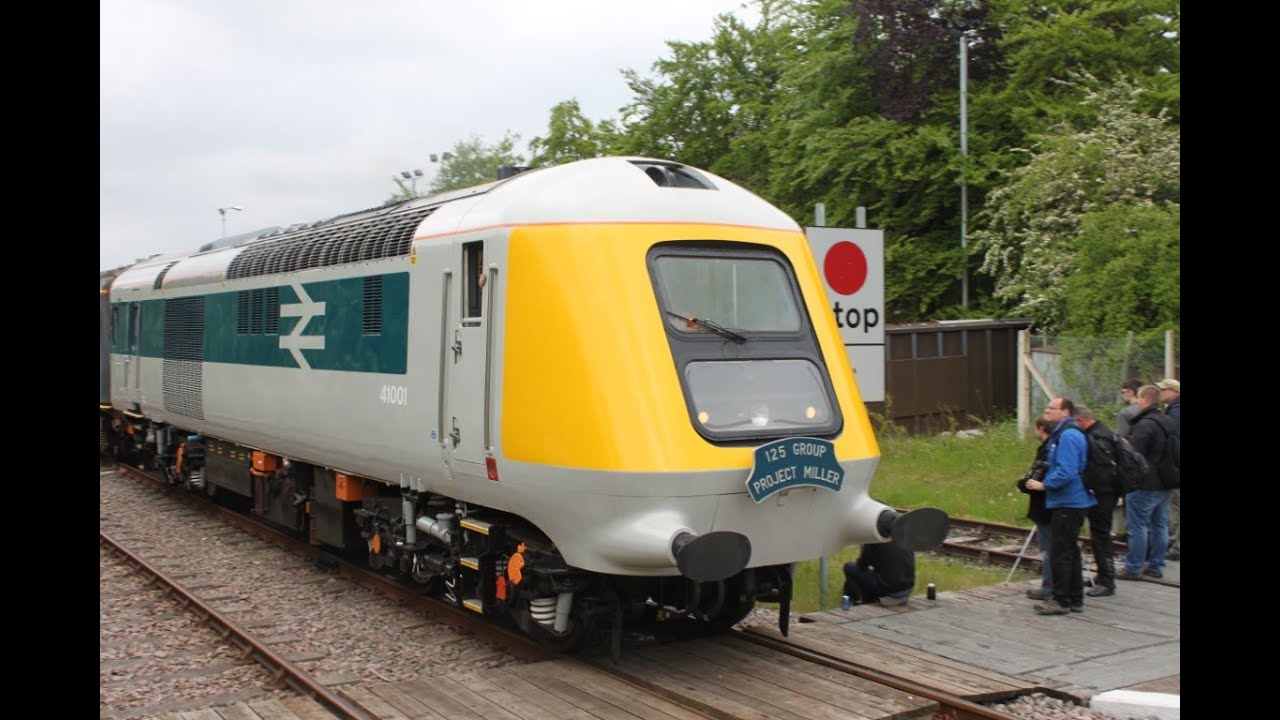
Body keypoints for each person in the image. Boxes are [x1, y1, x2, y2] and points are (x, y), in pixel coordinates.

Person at [1025, 397, 1095, 615]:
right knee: (1070, 551)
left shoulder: (1068, 436)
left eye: (1051, 408)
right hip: (1069, 500)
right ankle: (1074, 598)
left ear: (1065, 412)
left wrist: (1044, 485)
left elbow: (1067, 470)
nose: (1047, 412)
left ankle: (1060, 600)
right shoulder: (1065, 433)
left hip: (1068, 501)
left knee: (1061, 553)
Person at [1117, 385, 1176, 580]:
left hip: (1146, 482)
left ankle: (1134, 566)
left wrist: (1126, 445)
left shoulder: (1145, 424)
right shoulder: (1169, 421)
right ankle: (1156, 565)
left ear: (1143, 400)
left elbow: (1136, 454)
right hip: (1167, 480)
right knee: (1160, 524)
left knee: (1138, 525)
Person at [1074, 405, 1118, 597]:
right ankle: (1102, 575)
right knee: (1099, 534)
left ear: (1081, 421)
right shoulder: (1103, 432)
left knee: (1101, 535)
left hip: (1103, 493)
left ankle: (1107, 581)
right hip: (1106, 491)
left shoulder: (1097, 437)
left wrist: (1089, 485)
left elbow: (1101, 469)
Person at [1016, 415, 1056, 601]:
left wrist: (1023, 483)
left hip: (1045, 506)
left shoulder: (1047, 450)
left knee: (1048, 548)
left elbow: (1035, 478)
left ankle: (1049, 586)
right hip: (1055, 504)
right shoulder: (1057, 446)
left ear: (1041, 428)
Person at [1111, 379, 1143, 541]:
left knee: (1129, 496)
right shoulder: (1153, 411)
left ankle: (1131, 534)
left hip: (1129, 459)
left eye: (1124, 392)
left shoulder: (1126, 412)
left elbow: (1120, 437)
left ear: (1131, 392)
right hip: (1146, 460)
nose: (1123, 395)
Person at [842, 540, 916, 607]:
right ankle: (862, 601)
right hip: (907, 590)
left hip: (890, 593)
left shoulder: (875, 538)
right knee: (853, 580)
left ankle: (850, 603)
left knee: (849, 567)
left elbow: (862, 565)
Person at [1156, 378, 1180, 562]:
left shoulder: (1175, 411)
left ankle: (1177, 545)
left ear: (1173, 391)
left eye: (1163, 390)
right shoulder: (1172, 410)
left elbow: (1174, 439)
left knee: (1176, 505)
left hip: (1176, 465)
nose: (1161, 393)